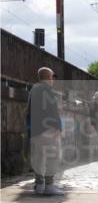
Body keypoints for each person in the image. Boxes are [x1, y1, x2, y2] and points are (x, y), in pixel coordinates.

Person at [27, 67, 64, 195]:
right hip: (48, 130)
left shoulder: (34, 89)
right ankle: (49, 185)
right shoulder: (47, 90)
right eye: (53, 76)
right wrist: (57, 127)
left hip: (35, 130)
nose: (54, 79)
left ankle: (39, 185)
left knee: (38, 157)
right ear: (49, 77)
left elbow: (29, 112)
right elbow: (51, 111)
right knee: (53, 157)